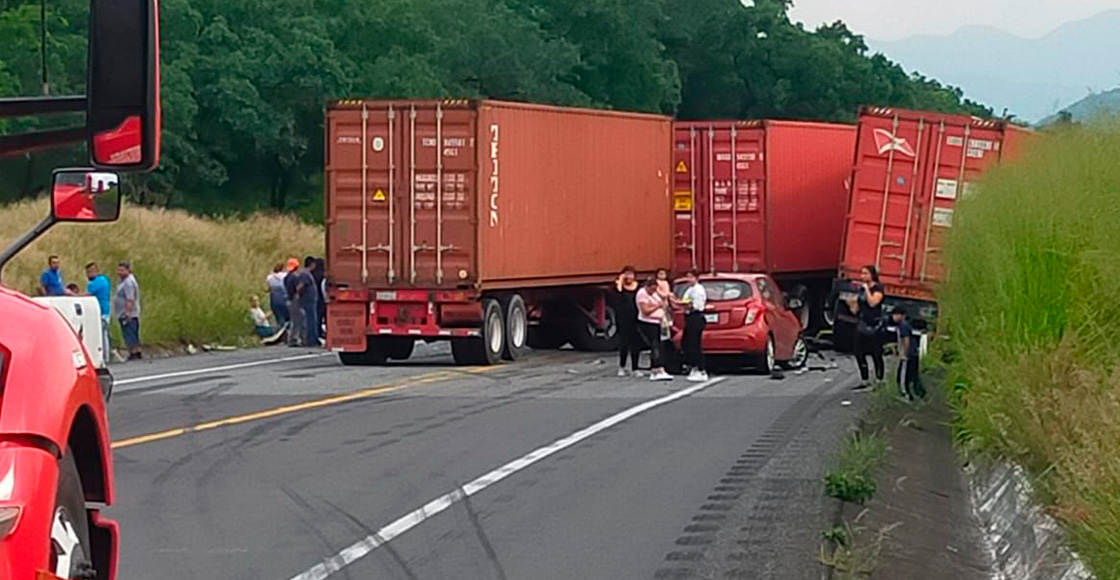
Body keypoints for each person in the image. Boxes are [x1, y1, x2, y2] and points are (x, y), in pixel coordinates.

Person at [847, 265, 885, 389]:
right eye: (861, 273)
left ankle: (879, 379)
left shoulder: (878, 288)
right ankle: (864, 379)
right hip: (862, 322)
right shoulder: (861, 290)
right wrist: (852, 304)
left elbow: (873, 303)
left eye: (866, 273)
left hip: (875, 324)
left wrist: (867, 290)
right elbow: (856, 309)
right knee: (858, 351)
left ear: (872, 275)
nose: (863, 276)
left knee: (876, 353)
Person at [637, 277, 672, 381]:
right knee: (655, 345)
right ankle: (656, 369)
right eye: (651, 289)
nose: (653, 292)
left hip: (657, 322)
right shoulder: (642, 294)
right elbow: (645, 311)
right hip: (648, 323)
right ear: (647, 287)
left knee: (659, 345)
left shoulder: (655, 293)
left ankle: (659, 368)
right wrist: (658, 306)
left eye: (655, 289)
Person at [680, 270, 710, 382]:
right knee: (686, 343)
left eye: (691, 277)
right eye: (687, 277)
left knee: (695, 344)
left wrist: (684, 305)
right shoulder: (689, 289)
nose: (688, 279)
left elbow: (695, 305)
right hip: (689, 317)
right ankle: (693, 366)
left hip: (696, 317)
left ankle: (701, 370)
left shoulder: (698, 290)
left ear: (696, 278)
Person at [613, 266, 642, 377]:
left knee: (636, 343)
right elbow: (617, 298)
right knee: (623, 343)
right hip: (623, 318)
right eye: (626, 274)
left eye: (631, 274)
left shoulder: (638, 287)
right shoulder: (618, 288)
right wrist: (619, 284)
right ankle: (622, 366)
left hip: (636, 317)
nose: (629, 276)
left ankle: (635, 368)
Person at [893, 308, 926, 401]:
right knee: (913, 376)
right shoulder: (904, 325)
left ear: (902, 315)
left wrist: (904, 353)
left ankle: (906, 395)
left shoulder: (903, 325)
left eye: (897, 314)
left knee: (903, 377)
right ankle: (920, 394)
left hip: (909, 355)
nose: (894, 317)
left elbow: (906, 340)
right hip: (913, 354)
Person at [114, 260, 142, 360]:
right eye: (118, 270)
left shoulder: (128, 283)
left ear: (128, 270)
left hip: (128, 313)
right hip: (125, 312)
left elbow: (130, 299)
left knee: (129, 332)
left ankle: (134, 352)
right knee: (131, 332)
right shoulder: (125, 281)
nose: (119, 272)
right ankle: (136, 351)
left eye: (122, 270)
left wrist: (128, 312)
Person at [86, 262, 112, 360]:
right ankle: (106, 356)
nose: (89, 274)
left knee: (101, 335)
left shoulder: (96, 283)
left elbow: (87, 295)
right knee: (104, 335)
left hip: (100, 311)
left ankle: (103, 357)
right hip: (105, 310)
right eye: (88, 272)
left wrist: (72, 294)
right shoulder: (104, 280)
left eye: (91, 272)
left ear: (97, 271)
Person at [300, 257, 321, 347]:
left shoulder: (307, 273)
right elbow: (300, 286)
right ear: (311, 264)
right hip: (308, 301)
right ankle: (311, 340)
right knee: (311, 320)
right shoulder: (305, 274)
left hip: (310, 300)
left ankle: (313, 339)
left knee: (312, 319)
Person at [284, 258, 304, 347]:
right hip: (294, 300)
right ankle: (293, 339)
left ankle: (292, 339)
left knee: (293, 320)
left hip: (288, 299)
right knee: (297, 320)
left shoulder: (286, 277)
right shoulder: (295, 277)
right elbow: (297, 289)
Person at [266, 263, 290, 328]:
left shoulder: (270, 277)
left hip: (274, 301)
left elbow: (268, 288)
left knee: (279, 319)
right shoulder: (285, 275)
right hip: (285, 300)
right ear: (282, 269)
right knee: (288, 318)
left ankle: (280, 329)